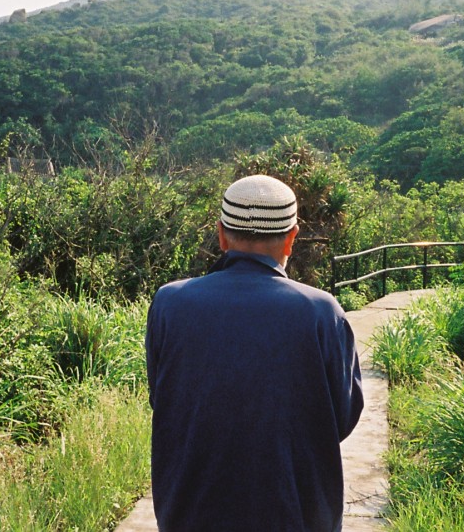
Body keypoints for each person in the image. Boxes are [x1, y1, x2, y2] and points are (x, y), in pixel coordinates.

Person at [145, 174, 364, 532]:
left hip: (190, 513)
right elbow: (342, 417)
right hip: (297, 515)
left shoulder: (170, 304)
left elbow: (163, 398)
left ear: (220, 235)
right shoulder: (322, 312)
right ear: (292, 238)